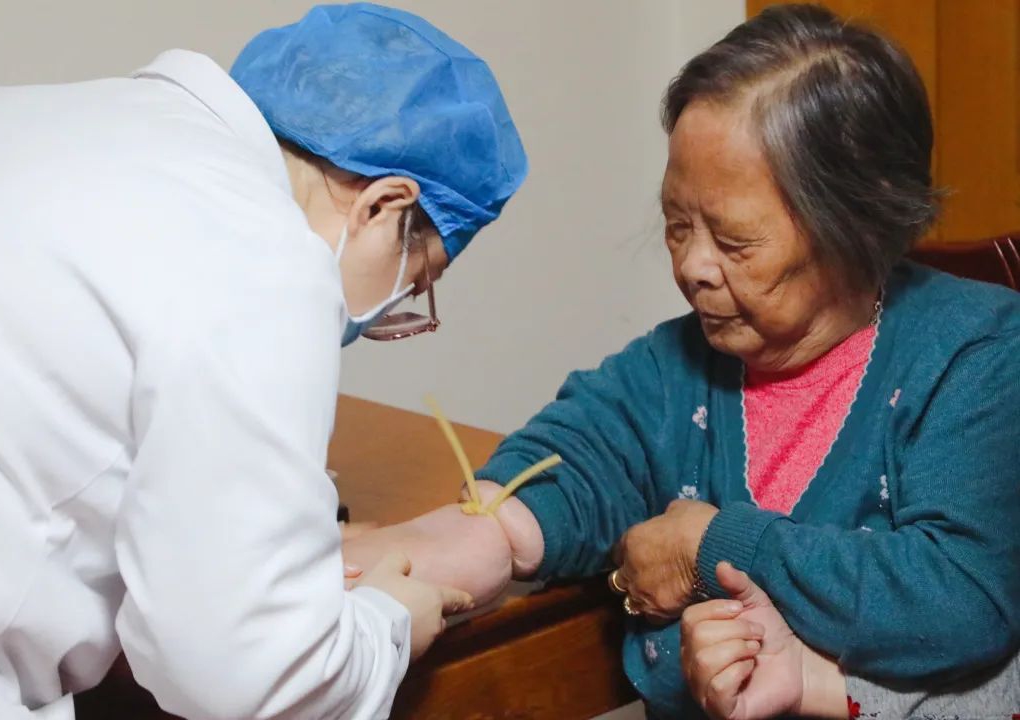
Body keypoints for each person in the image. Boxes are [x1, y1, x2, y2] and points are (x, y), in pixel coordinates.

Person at [342, 4, 1020, 718]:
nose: (693, 266)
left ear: (857, 225)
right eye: (676, 225)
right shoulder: (676, 366)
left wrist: (709, 548)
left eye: (734, 242)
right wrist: (463, 538)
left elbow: (957, 596)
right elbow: (573, 461)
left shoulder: (978, 353)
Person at [0, 4, 526, 718]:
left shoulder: (5, 119)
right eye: (418, 277)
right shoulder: (263, 260)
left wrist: (277, 531)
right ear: (383, 206)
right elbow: (243, 676)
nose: (394, 305)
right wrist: (389, 621)